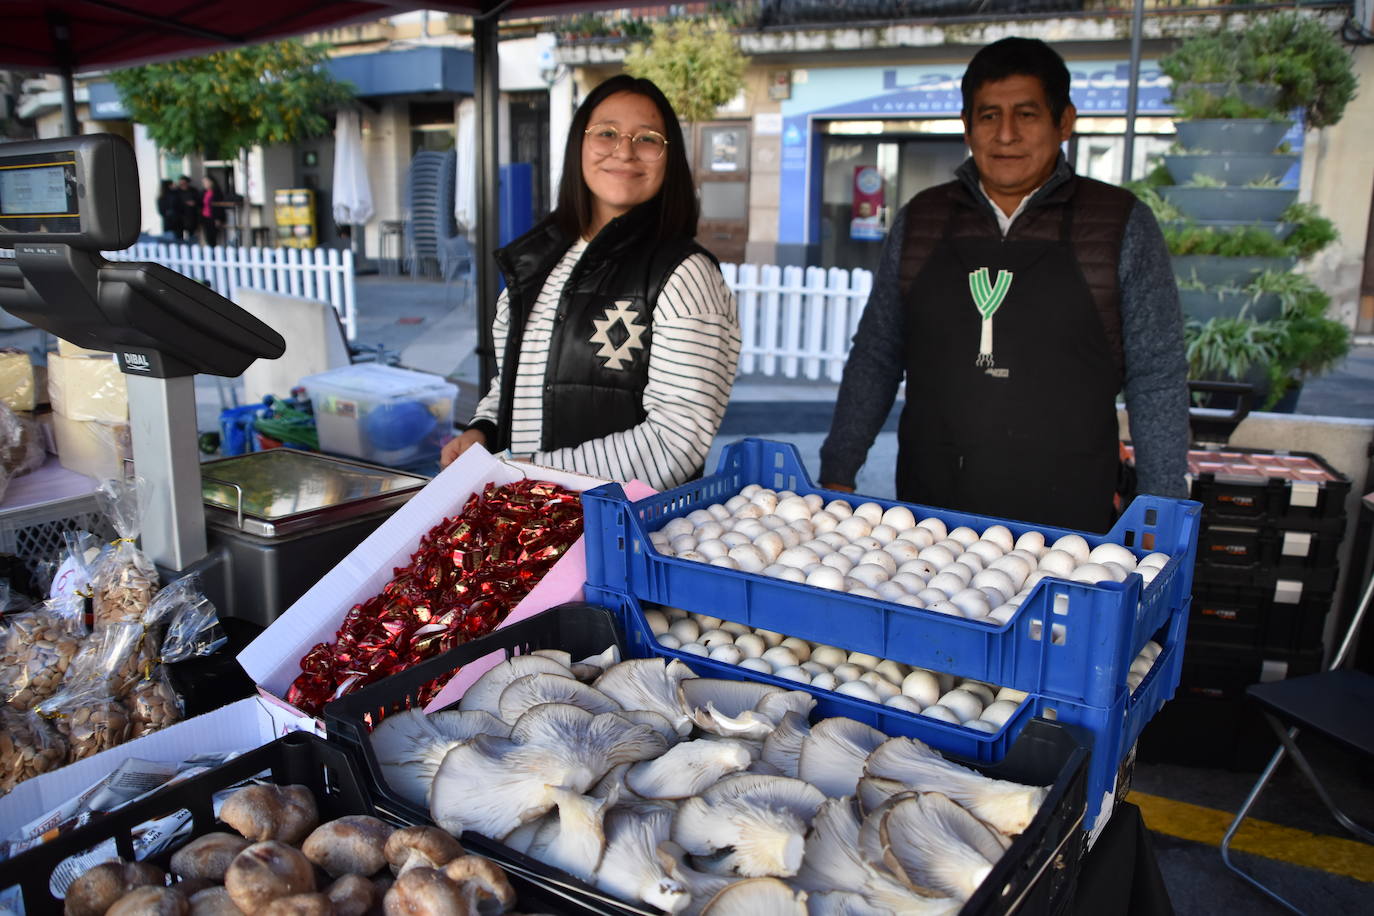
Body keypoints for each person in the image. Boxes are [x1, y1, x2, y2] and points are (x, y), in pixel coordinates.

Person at [819, 37, 1189, 532]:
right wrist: (838, 468)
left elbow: (1157, 375)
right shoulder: (923, 220)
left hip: (1072, 523)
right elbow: (877, 353)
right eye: (989, 115)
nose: (1006, 134)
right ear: (967, 127)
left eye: (1027, 114)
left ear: (1064, 122)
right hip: (932, 517)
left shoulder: (1120, 223)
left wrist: (1160, 508)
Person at [440, 75, 740, 490]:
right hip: (527, 515)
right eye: (607, 133)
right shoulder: (537, 260)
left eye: (648, 138)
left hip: (615, 530)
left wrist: (523, 474)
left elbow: (677, 440)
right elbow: (515, 382)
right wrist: (484, 432)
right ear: (579, 146)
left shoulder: (686, 274)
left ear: (670, 159)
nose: (625, 151)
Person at [199, 176, 224, 246]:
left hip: (213, 217)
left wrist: (218, 218)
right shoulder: (203, 192)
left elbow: (219, 207)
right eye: (203, 182)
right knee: (207, 236)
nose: (204, 184)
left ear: (211, 182)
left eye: (206, 182)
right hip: (205, 217)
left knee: (213, 236)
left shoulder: (216, 192)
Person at [175, 175, 198, 242]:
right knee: (179, 236)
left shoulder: (193, 191)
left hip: (191, 217)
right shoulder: (177, 192)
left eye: (184, 183)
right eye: (181, 183)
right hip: (180, 217)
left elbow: (198, 201)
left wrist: (194, 203)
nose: (182, 185)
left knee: (192, 235)